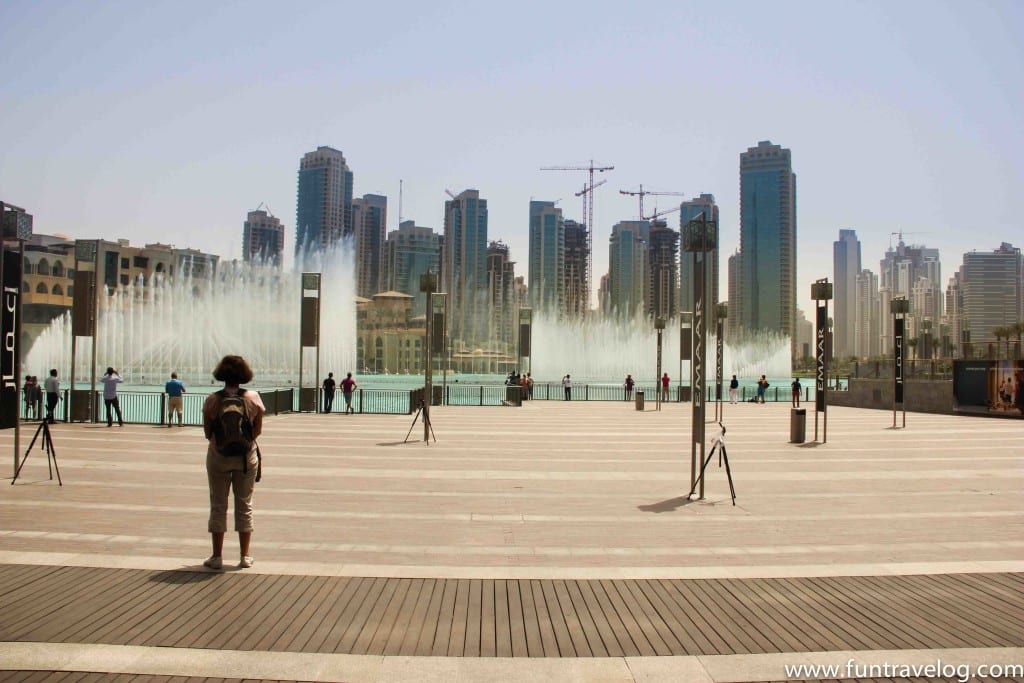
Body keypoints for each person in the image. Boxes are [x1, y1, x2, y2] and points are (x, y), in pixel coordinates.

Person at [203, 354, 265, 570]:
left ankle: (217, 556)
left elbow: (207, 431)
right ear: (244, 374)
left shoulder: (212, 399)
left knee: (218, 504)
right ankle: (245, 556)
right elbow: (257, 430)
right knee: (244, 504)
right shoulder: (253, 397)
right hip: (246, 458)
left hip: (218, 457)